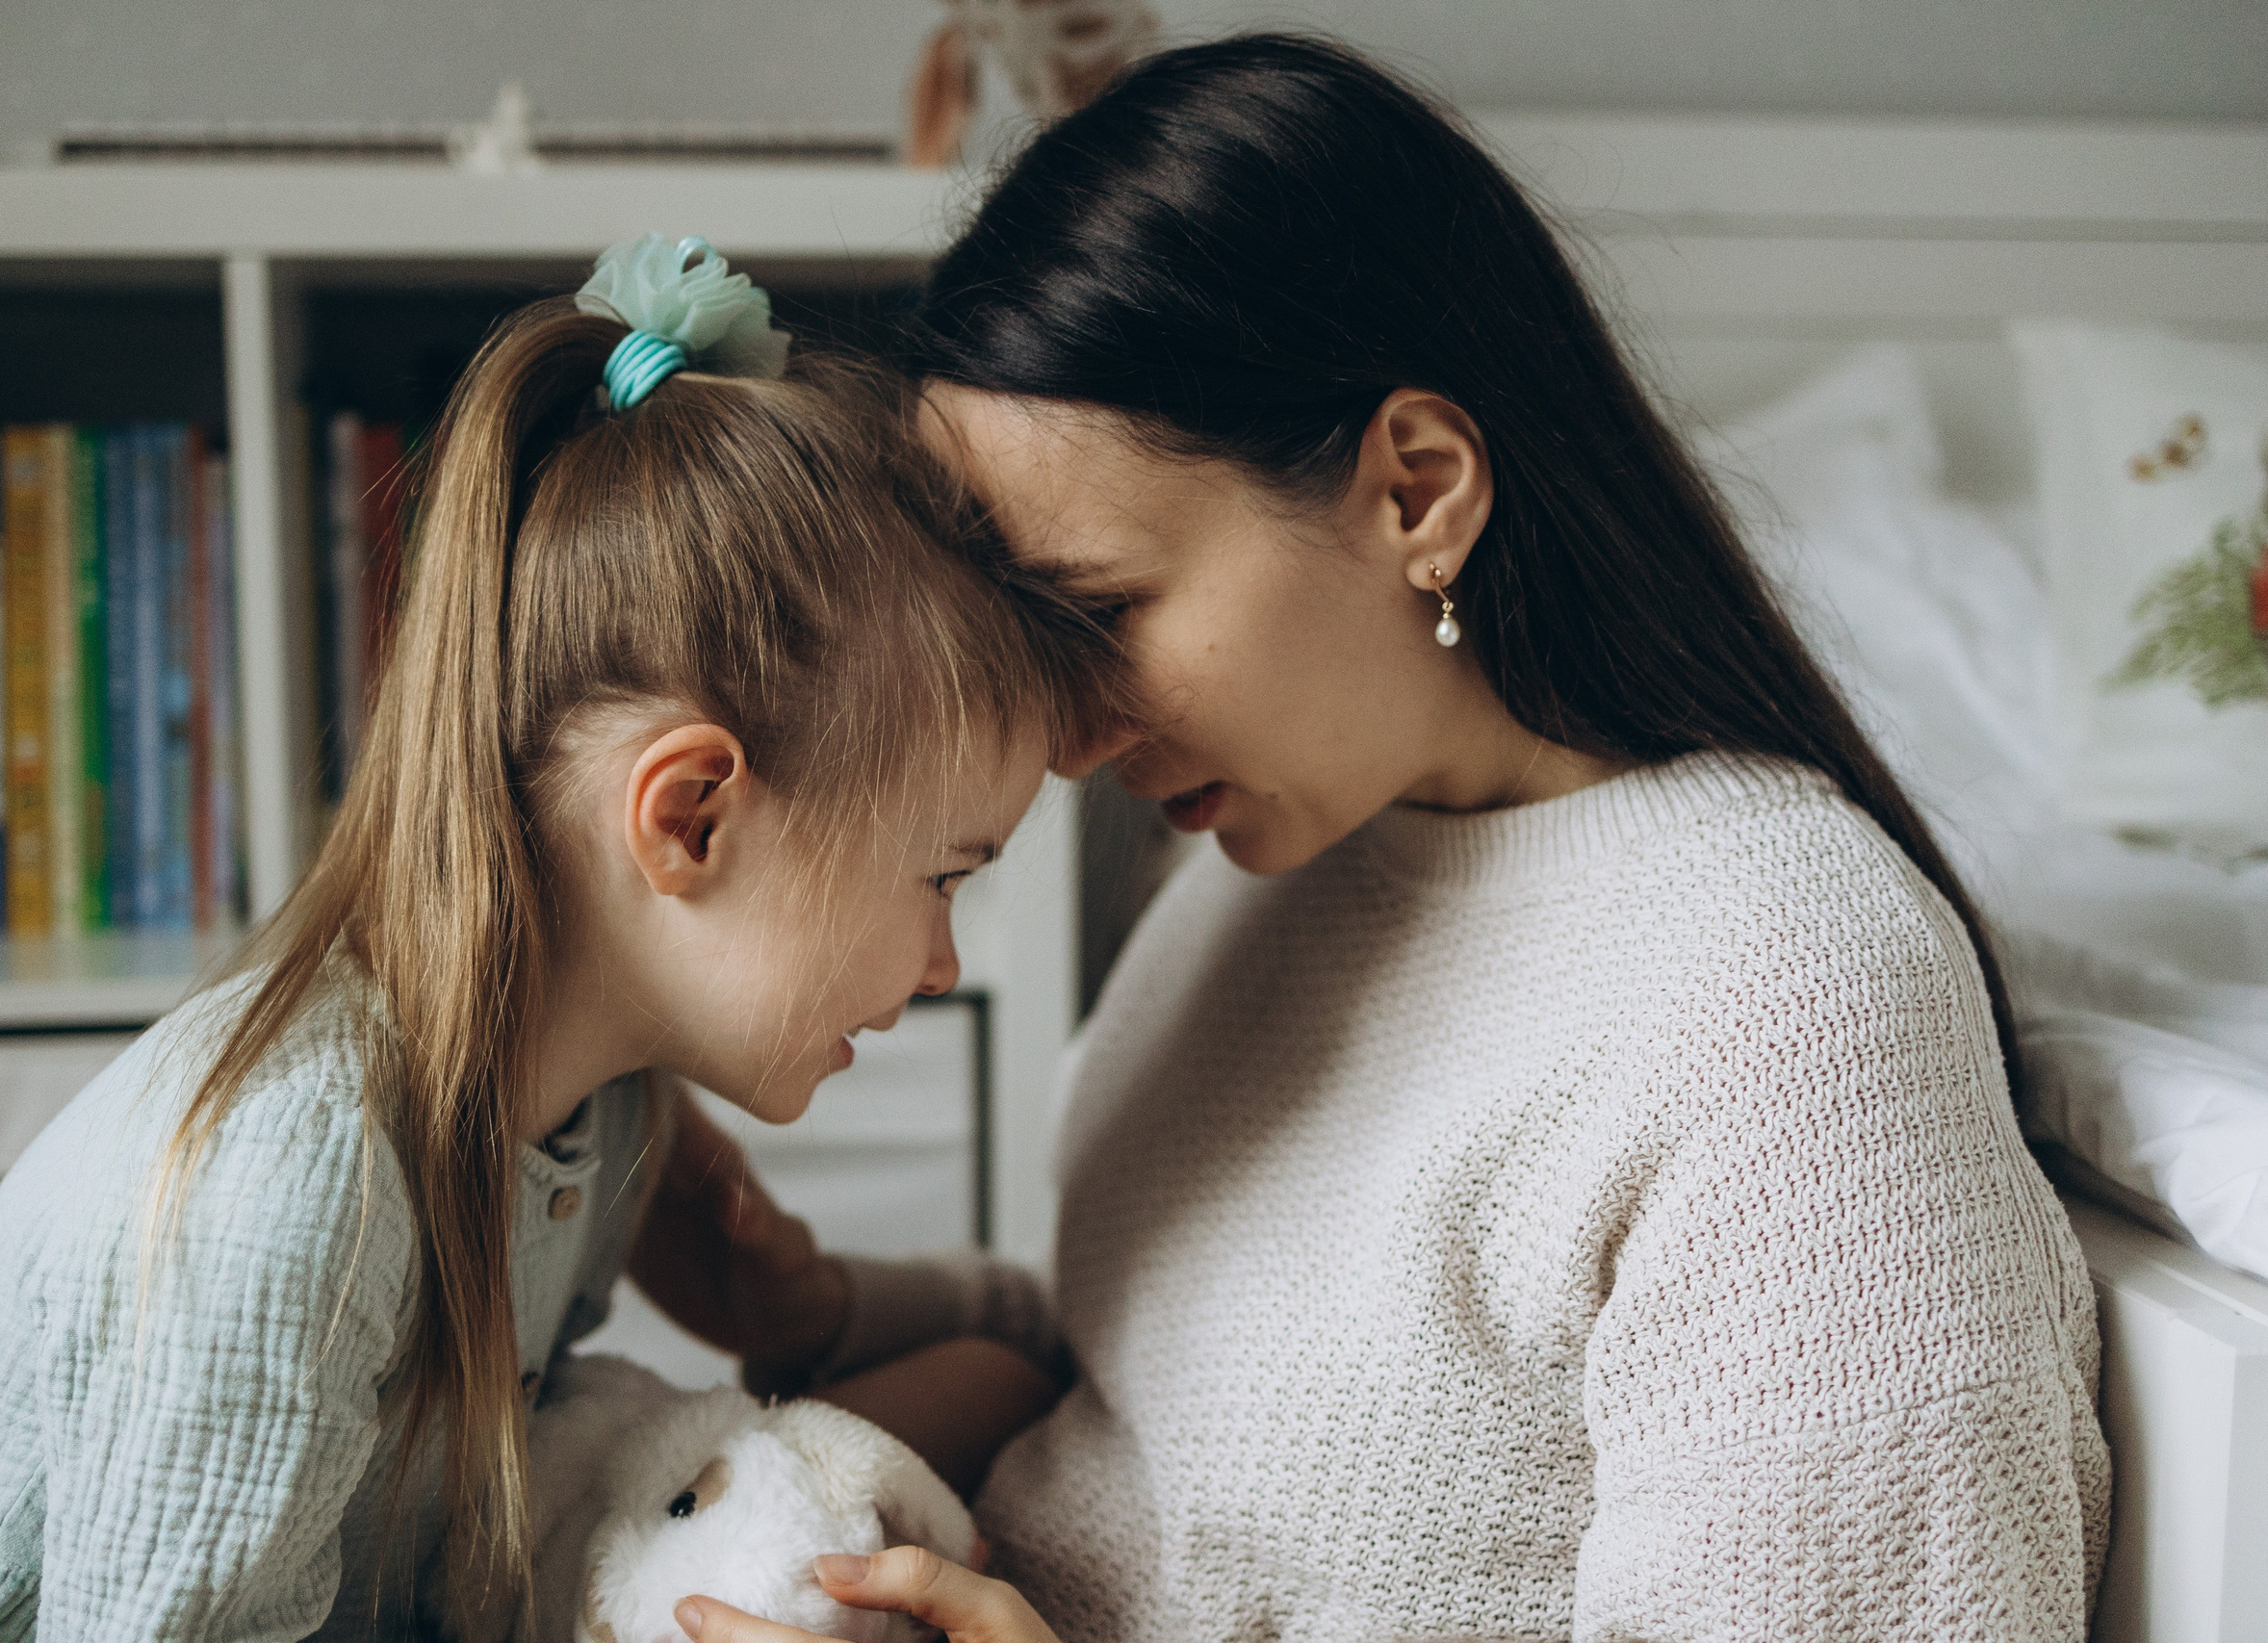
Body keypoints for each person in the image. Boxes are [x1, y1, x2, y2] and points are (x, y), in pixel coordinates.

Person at [669, 38, 2110, 1643]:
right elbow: (1154, 1375)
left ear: (1417, 491)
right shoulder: (1269, 867)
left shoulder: (1788, 1018)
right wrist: (821, 1306)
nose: (1067, 742)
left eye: (1103, 615)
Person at [0, 236, 1094, 1642]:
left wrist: (796, 1310)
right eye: (942, 877)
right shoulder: (293, 1191)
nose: (942, 963)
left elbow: (475, 1491)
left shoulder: (598, 1108)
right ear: (693, 818)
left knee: (962, 1398)